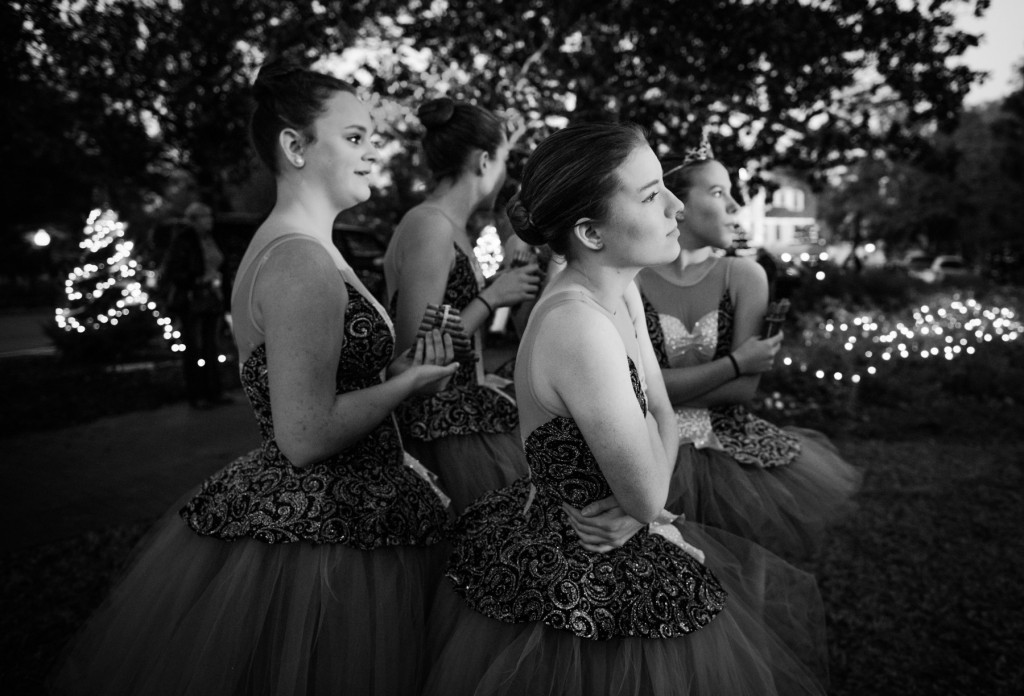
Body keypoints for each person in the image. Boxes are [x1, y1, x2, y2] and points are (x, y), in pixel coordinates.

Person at [51, 59, 458, 696]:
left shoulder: (310, 246)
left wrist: (400, 367)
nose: (373, 150)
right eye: (354, 137)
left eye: (370, 137)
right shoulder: (298, 259)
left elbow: (324, 380)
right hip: (329, 535)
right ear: (294, 146)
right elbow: (305, 434)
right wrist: (406, 386)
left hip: (356, 507)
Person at [423, 122, 829, 696]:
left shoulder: (620, 288)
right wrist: (641, 500)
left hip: (614, 537)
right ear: (590, 231)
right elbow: (648, 494)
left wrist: (643, 490)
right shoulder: (578, 324)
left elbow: (662, 411)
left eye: (665, 187)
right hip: (577, 572)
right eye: (648, 196)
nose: (674, 208)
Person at [638, 133, 862, 560]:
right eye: (719, 192)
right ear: (675, 204)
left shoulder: (745, 276)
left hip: (732, 458)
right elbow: (637, 394)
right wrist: (738, 361)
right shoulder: (632, 281)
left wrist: (665, 386)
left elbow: (743, 392)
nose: (736, 206)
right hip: (651, 457)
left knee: (740, 579)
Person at [383, 97, 542, 512]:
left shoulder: (448, 226)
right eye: (505, 159)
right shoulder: (430, 226)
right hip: (439, 430)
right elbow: (415, 352)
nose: (506, 173)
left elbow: (449, 309)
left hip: (466, 407)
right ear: (485, 160)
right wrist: (492, 298)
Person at [160, 200, 230, 408]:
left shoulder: (211, 239)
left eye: (210, 216)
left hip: (211, 297)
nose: (210, 220)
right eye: (205, 216)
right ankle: (197, 394)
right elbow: (174, 270)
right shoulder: (184, 241)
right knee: (194, 348)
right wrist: (195, 279)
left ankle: (214, 392)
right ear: (193, 220)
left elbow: (220, 264)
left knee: (210, 345)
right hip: (192, 298)